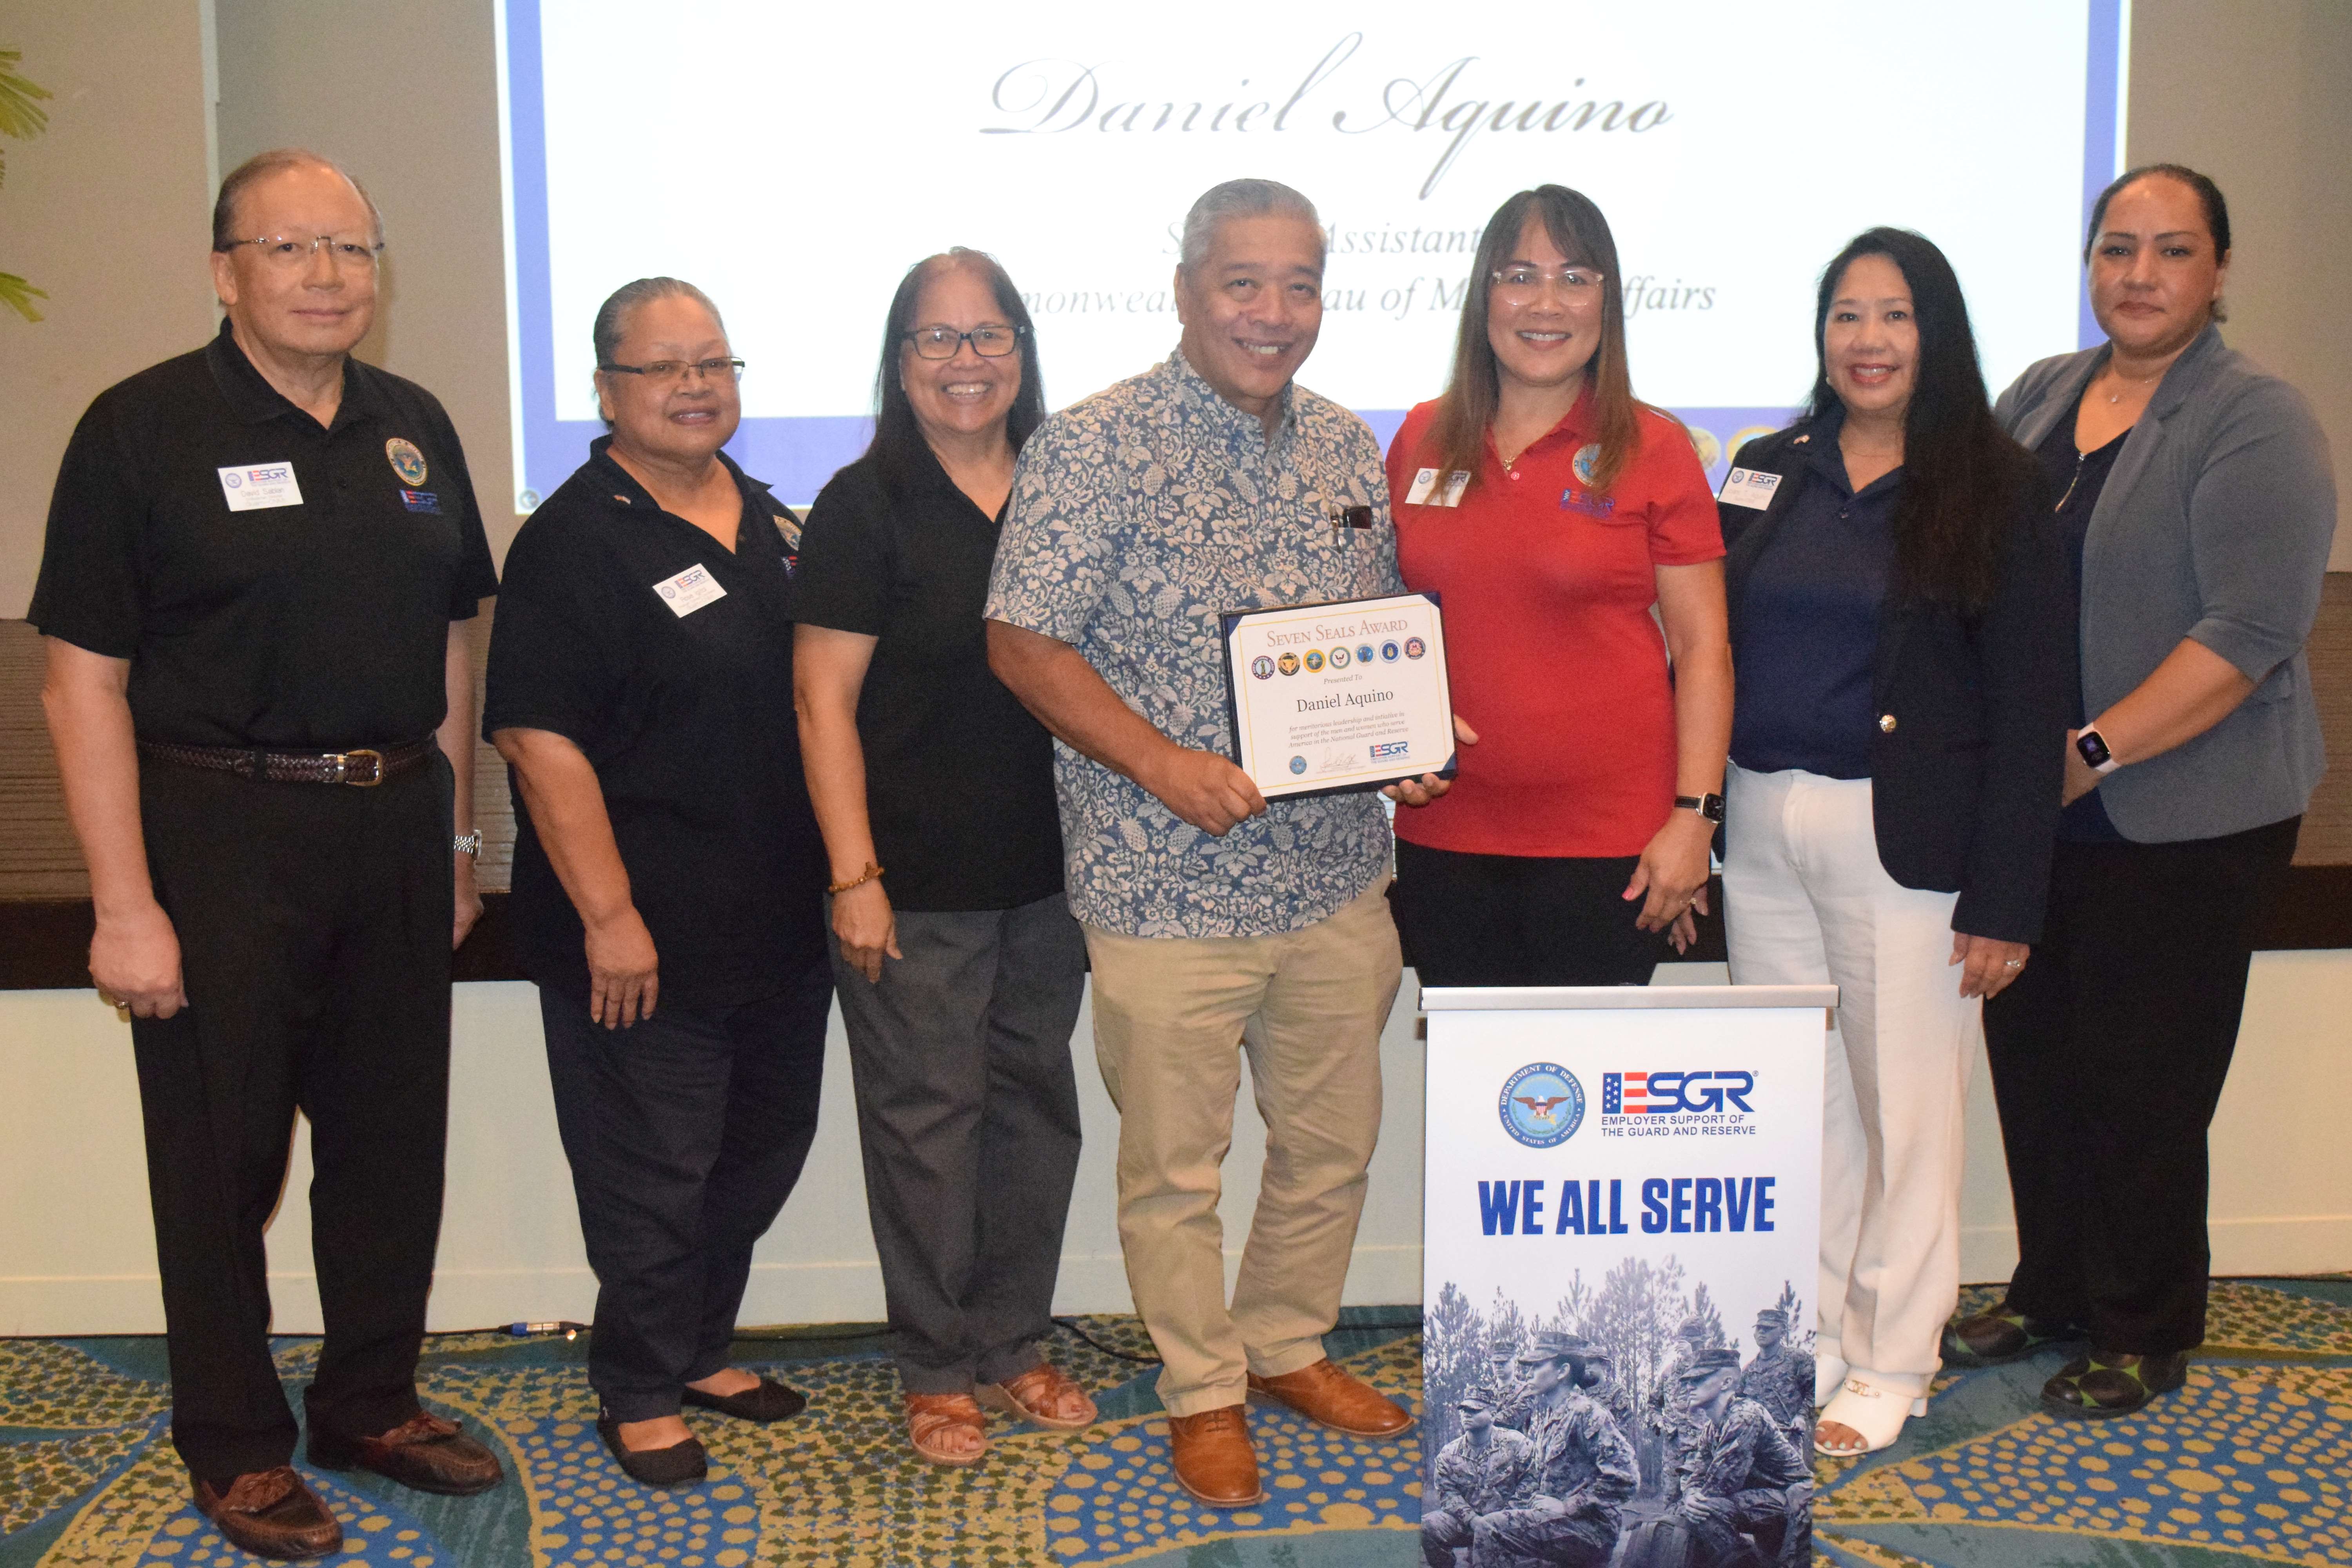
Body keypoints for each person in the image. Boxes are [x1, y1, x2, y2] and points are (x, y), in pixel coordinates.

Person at [29, 148, 504, 1558]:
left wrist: (462, 828)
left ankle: (368, 1400)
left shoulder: (413, 425)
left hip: (395, 825)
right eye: (290, 249)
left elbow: (454, 631)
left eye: (351, 250)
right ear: (222, 268)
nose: (326, 277)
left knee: (387, 1148)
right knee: (219, 1161)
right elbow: (80, 682)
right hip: (215, 833)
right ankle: (234, 1441)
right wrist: (125, 904)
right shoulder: (140, 428)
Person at [986, 178, 1442, 1509]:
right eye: (1245, 282)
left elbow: (1372, 645)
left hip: (1333, 880)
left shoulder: (1349, 447)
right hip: (1159, 885)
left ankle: (1287, 1344)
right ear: (1186, 288)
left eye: (1300, 283)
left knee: (1330, 1143)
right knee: (1177, 1171)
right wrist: (1159, 763)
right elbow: (1021, 640)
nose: (1274, 311)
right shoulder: (1092, 446)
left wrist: (1407, 737)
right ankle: (1203, 1390)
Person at [1951, 165, 2336, 1419]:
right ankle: (2052, 1285)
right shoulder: (2040, 394)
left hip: (2181, 814)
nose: (2137, 274)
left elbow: (2246, 631)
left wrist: (2085, 752)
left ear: (2215, 272)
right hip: (2036, 804)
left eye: (2170, 251)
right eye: (2116, 248)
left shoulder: (2251, 417)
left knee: (2144, 1077)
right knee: (2035, 1056)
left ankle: (2140, 1322)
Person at [1718, 227, 2072, 1454]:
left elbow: (2033, 706)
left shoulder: (1997, 485)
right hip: (1760, 820)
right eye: (1844, 316)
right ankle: (1804, 1335)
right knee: (1792, 1102)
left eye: (1894, 315)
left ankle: (1887, 1355)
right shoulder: (1766, 466)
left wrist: (2006, 896)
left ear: (1936, 333)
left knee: (1905, 1111)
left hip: (1905, 839)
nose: (1866, 341)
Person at [484, 278, 831, 1487]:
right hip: (640, 937)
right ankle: (635, 1383)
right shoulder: (574, 538)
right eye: (661, 367)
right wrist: (610, 916)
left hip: (779, 925)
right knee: (653, 1173)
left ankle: (696, 1347)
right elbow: (538, 740)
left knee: (758, 1153)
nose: (694, 386)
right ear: (604, 391)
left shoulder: (770, 517)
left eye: (714, 363)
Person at [791, 249, 1094, 1466]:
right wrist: (852, 876)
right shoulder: (862, 505)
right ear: (897, 360)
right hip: (910, 882)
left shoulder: (1067, 486)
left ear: (1021, 349)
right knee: (925, 1124)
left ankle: (1013, 1340)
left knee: (1035, 1111)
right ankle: (933, 1363)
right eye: (937, 339)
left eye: (988, 335)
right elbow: (821, 703)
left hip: (1055, 877)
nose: (965, 361)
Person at [1385, 184, 1730, 984]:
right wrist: (1389, 737)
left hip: (1609, 846)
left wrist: (1694, 820)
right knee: (1474, 1100)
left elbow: (1703, 647)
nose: (1546, 302)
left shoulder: (1656, 446)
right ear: (1484, 295)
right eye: (1520, 275)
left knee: (1583, 1098)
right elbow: (1386, 623)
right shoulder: (1420, 433)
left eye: (1575, 277)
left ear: (1607, 301)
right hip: (1446, 837)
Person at [1469, 1332, 1638, 1566]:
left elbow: (1627, 1478)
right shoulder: (1552, 1416)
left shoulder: (1586, 1413)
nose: (1528, 1375)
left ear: (1562, 1371)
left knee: (1490, 1528)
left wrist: (1569, 1506)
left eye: (1537, 1366)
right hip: (1559, 1524)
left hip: (1590, 1530)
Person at [1656, 1349, 1812, 1568]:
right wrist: (1691, 1494)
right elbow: (1698, 1474)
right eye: (1688, 1380)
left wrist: (1690, 1503)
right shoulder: (1712, 1428)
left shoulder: (1744, 1416)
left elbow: (1722, 1485)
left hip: (1798, 1502)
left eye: (1699, 1379)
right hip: (1767, 1501)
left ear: (1726, 1382)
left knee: (1705, 1511)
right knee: (1695, 1511)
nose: (1689, 1386)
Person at [1422, 1385, 1536, 1568]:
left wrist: (1503, 1518)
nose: (1467, 1415)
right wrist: (1474, 1520)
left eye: (1475, 1410)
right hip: (1468, 1523)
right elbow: (1448, 1494)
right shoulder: (1449, 1453)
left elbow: (1531, 1481)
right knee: (1428, 1526)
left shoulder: (1516, 1443)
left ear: (1492, 1413)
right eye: (1464, 1410)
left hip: (1509, 1523)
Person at [1735, 1308, 1814, 1456]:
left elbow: (1814, 1391)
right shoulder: (1749, 1370)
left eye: (1769, 1328)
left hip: (1786, 1441)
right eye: (1759, 1328)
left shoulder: (1797, 1359)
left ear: (1783, 1332)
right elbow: (1738, 1404)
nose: (1762, 1332)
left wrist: (1802, 1416)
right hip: (1754, 1444)